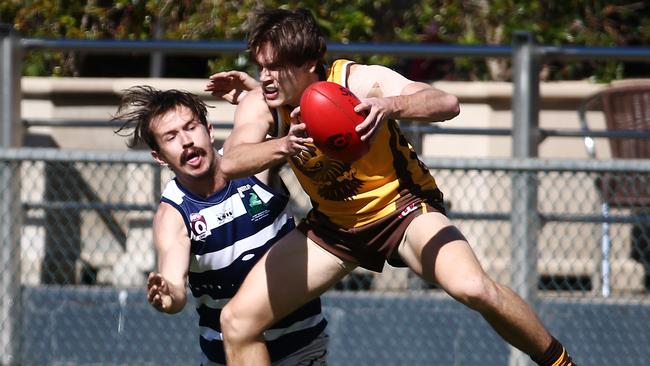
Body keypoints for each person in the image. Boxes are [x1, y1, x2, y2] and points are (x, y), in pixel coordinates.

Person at [211, 7, 576, 366]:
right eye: (261, 66)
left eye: (276, 66)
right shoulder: (264, 104)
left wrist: (389, 105)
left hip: (402, 211)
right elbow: (230, 161)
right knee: (237, 322)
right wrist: (283, 145)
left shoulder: (355, 81)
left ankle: (560, 362)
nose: (266, 77)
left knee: (474, 288)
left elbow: (447, 103)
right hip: (335, 227)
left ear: (309, 62)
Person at [112, 86, 329, 366]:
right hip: (227, 358)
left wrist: (251, 92)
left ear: (209, 130)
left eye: (190, 127)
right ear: (159, 157)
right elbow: (175, 285)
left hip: (300, 347)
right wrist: (168, 297)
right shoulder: (174, 215)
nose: (186, 141)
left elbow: (288, 114)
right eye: (171, 137)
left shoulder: (253, 164)